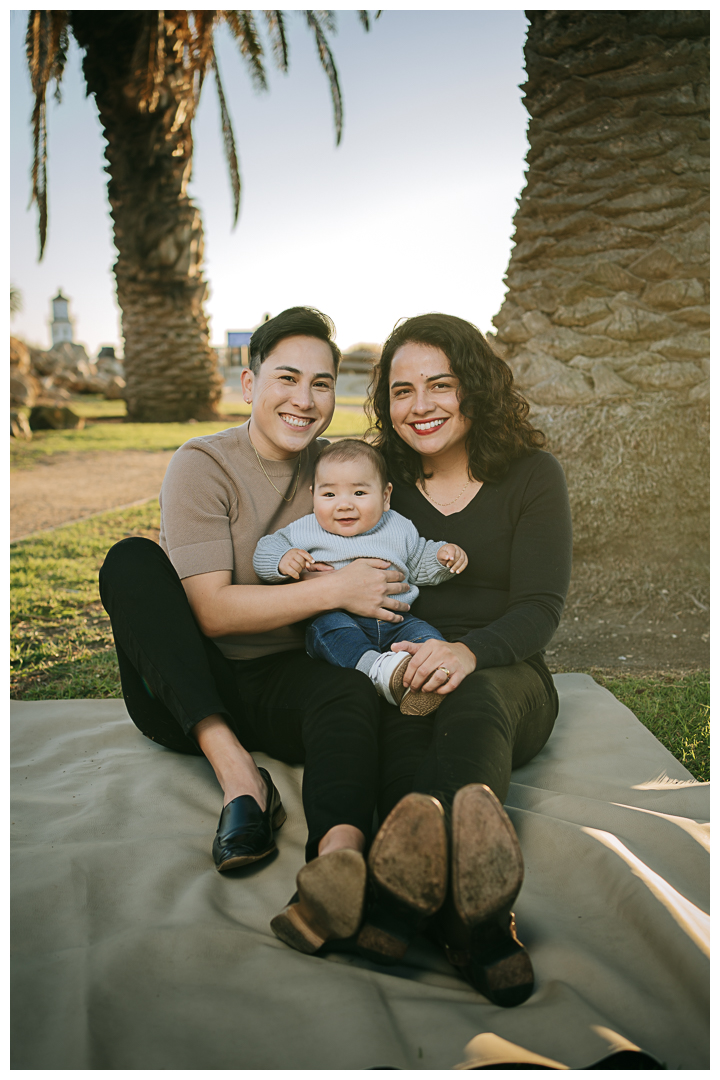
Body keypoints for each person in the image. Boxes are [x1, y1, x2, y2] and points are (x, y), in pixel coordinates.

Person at [98, 307, 412, 955]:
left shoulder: (341, 473)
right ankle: (242, 783)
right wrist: (333, 588)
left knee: (348, 694)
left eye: (321, 383)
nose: (304, 400)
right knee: (131, 561)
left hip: (282, 680)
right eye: (287, 378)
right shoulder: (203, 463)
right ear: (249, 384)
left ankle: (337, 868)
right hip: (187, 687)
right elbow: (210, 611)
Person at [304, 312, 572, 1008]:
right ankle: (474, 927)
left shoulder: (532, 476)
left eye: (439, 385)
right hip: (401, 666)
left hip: (506, 671)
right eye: (401, 391)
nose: (419, 406)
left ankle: (403, 914)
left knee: (475, 700)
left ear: (473, 388)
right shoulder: (379, 481)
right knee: (397, 729)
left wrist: (466, 651)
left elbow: (540, 607)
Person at [252, 438, 468, 715]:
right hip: (340, 618)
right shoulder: (305, 530)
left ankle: (429, 680)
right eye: (329, 495)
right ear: (313, 495)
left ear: (385, 496)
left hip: (398, 622)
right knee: (330, 631)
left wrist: (442, 557)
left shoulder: (398, 528)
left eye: (359, 493)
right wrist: (283, 559)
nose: (343, 505)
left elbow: (417, 560)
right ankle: (376, 673)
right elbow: (265, 549)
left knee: (427, 637)